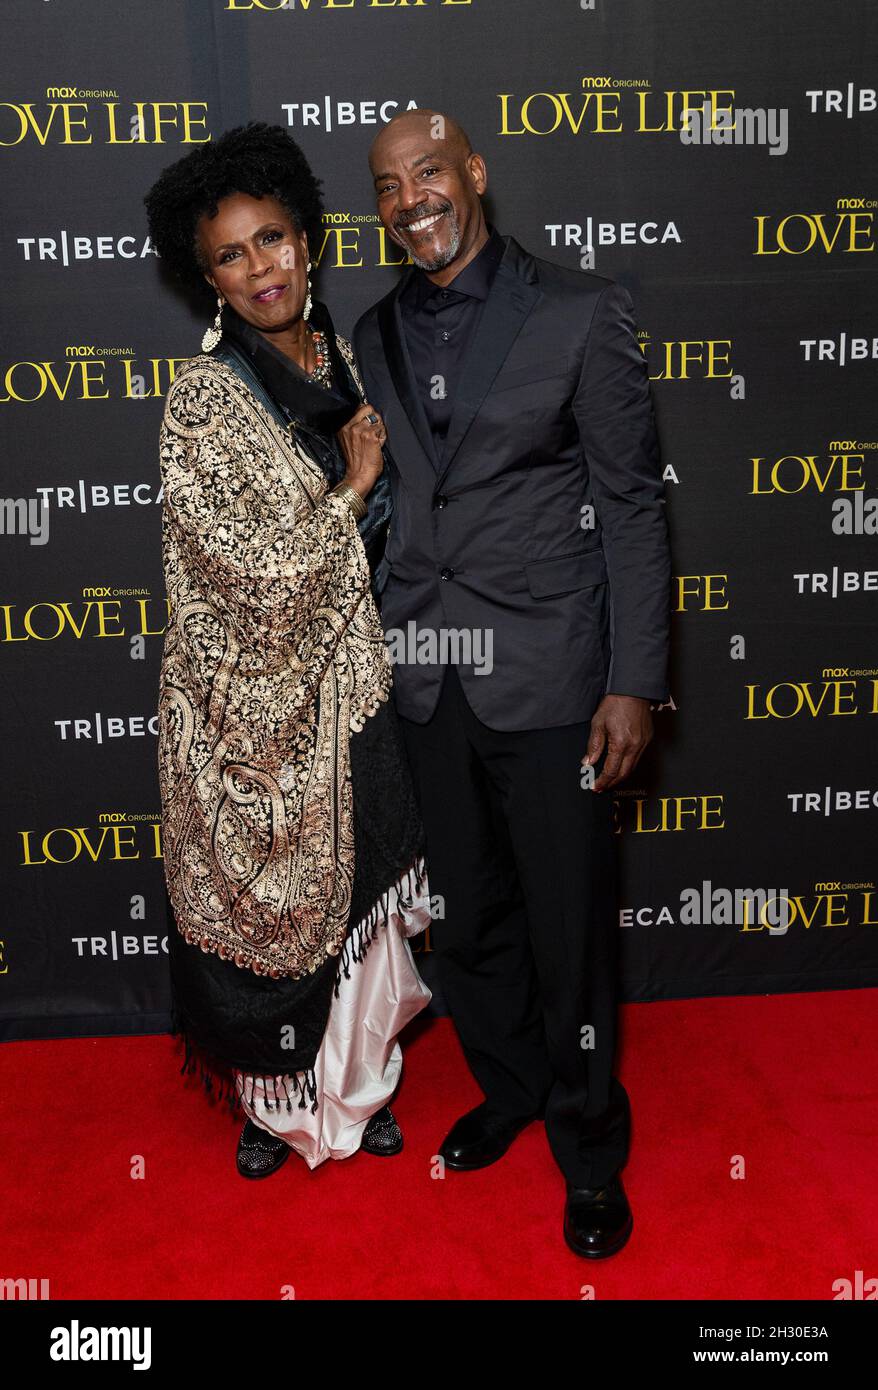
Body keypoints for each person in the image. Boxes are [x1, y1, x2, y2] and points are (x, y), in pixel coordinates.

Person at [353, 109, 671, 1256]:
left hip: (548, 677)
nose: (410, 199)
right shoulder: (374, 329)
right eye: (387, 185)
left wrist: (635, 679)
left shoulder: (580, 311)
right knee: (472, 920)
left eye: (428, 173)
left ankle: (589, 1147)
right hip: (427, 675)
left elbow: (632, 506)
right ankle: (513, 1085)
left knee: (565, 925)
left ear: (473, 174)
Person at [144, 121, 432, 1178]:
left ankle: (358, 1086)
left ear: (308, 241)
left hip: (350, 692)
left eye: (273, 239)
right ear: (204, 275)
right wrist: (352, 485)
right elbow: (254, 579)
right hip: (248, 718)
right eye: (231, 253)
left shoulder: (342, 355)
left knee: (360, 897)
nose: (260, 267)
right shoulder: (204, 401)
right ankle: (276, 1105)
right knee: (268, 911)